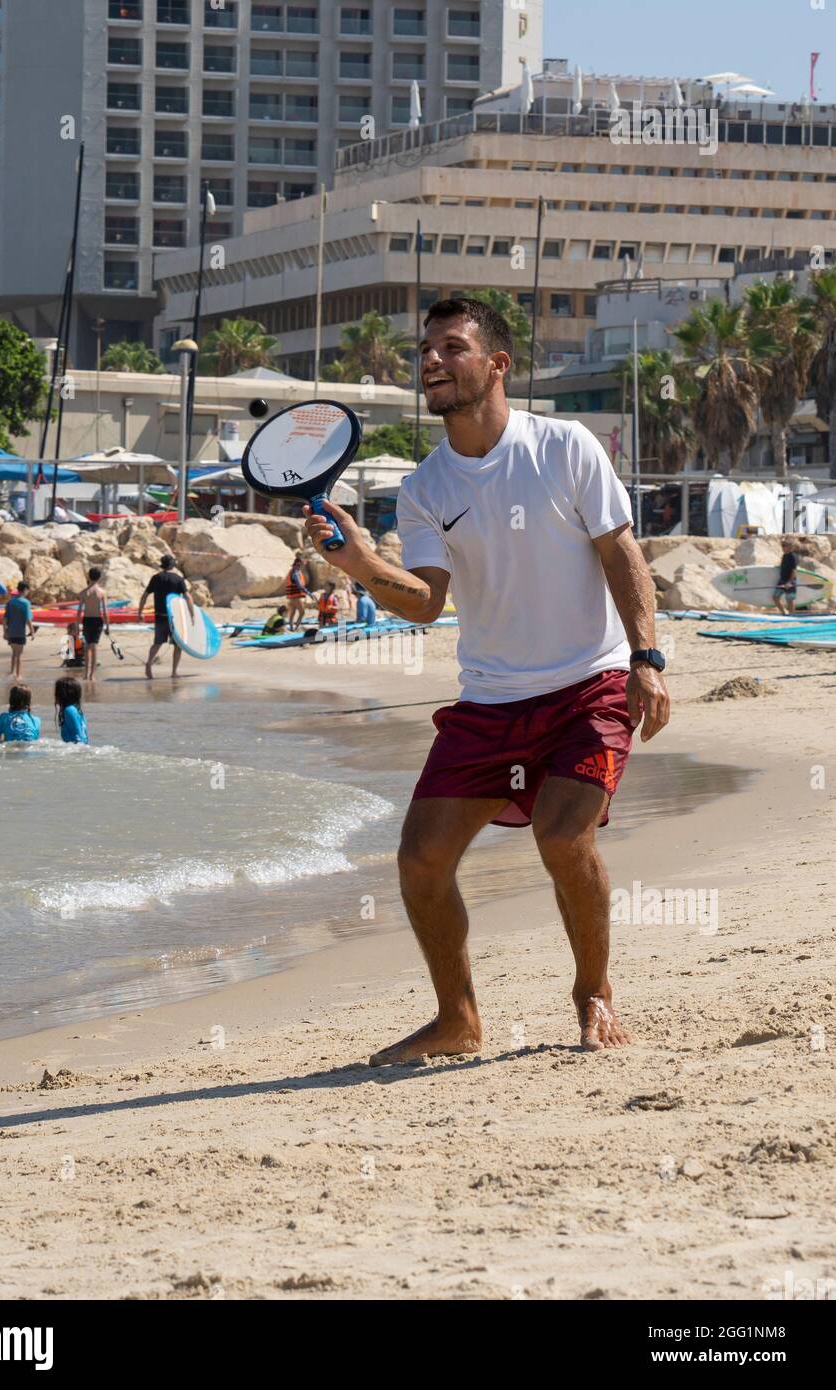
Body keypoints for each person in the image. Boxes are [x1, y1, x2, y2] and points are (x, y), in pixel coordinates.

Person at [304, 295, 670, 1065]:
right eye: (426, 350)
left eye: (451, 348)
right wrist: (362, 563)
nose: (431, 361)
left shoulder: (565, 447)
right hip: (492, 700)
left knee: (563, 833)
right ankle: (458, 1019)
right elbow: (426, 602)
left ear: (497, 364)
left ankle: (592, 995)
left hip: (588, 683)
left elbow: (619, 552)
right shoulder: (426, 486)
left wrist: (645, 656)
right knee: (419, 860)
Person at [138, 553, 193, 679]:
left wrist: (140, 612)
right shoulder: (178, 579)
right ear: (172, 565)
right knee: (178, 645)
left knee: (157, 643)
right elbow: (188, 597)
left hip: (160, 616)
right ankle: (174, 672)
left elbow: (145, 595)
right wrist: (192, 615)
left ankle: (148, 663)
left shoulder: (156, 578)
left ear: (162, 565)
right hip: (175, 617)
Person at [76, 566, 110, 680]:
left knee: (87, 647)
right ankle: (92, 675)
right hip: (97, 620)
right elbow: (105, 611)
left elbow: (79, 611)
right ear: (99, 578)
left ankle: (86, 674)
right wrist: (107, 626)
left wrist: (76, 626)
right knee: (94, 647)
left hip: (86, 620)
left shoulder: (83, 593)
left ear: (89, 577)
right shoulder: (102, 592)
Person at [3, 581, 35, 679]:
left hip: (11, 632)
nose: (28, 593)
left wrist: (5, 632)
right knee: (19, 655)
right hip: (20, 632)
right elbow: (28, 619)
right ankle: (18, 675)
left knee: (14, 653)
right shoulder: (26, 603)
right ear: (25, 590)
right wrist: (32, 632)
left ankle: (11, 673)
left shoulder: (10, 602)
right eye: (27, 591)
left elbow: (5, 619)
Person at [54, 676, 89, 744]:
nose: (54, 695)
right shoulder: (76, 710)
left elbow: (79, 739)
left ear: (62, 694)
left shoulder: (69, 710)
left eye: (56, 692)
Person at [285, 553, 312, 630]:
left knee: (293, 612)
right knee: (302, 612)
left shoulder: (293, 571)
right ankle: (296, 628)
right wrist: (309, 594)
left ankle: (291, 628)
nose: (303, 566)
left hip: (292, 596)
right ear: (299, 564)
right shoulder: (296, 573)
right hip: (296, 596)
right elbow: (300, 586)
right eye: (303, 564)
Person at [774, 543, 799, 615]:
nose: (782, 548)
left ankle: (791, 615)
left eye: (784, 546)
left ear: (789, 547)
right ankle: (784, 613)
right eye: (782, 546)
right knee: (775, 597)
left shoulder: (793, 556)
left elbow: (794, 571)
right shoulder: (784, 555)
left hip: (790, 581)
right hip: (782, 580)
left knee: (790, 599)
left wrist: (789, 582)